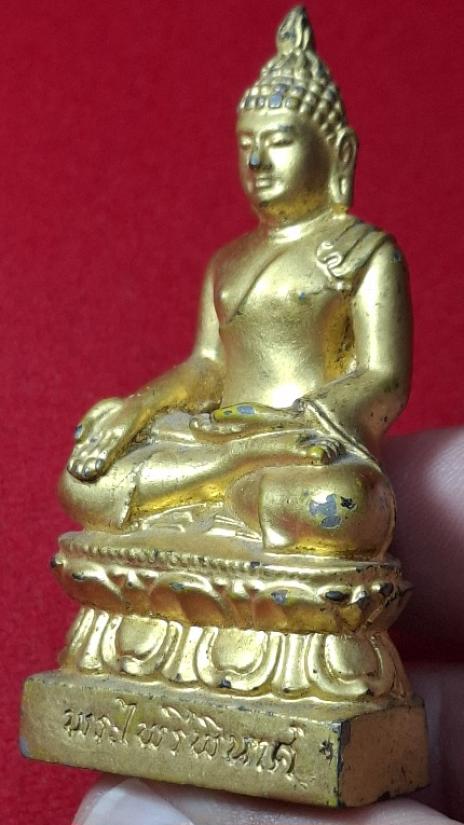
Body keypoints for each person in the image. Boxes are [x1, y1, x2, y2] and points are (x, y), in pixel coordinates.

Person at [60, 7, 410, 563]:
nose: (257, 160)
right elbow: (207, 366)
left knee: (338, 504)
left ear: (339, 151)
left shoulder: (364, 251)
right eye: (246, 144)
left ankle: (225, 490)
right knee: (86, 482)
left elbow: (383, 378)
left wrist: (299, 420)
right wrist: (137, 409)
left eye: (279, 141)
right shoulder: (228, 261)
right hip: (223, 436)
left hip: (302, 444)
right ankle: (232, 472)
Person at [71, 428, 464, 825]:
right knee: (90, 485)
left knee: (336, 501)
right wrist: (127, 422)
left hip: (293, 473)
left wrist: (277, 441)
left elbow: (359, 402)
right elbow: (191, 388)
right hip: (209, 456)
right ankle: (238, 462)